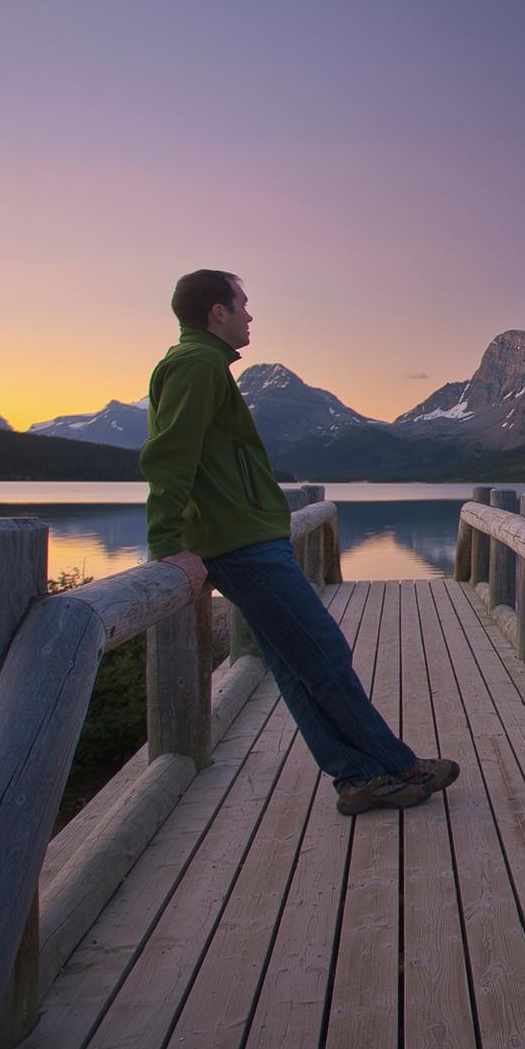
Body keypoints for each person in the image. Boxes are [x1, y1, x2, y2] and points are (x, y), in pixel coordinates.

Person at [139, 269, 457, 816]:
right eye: (242, 304)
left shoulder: (206, 364)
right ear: (217, 311)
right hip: (241, 544)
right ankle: (397, 765)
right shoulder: (195, 364)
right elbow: (170, 456)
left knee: (295, 665)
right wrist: (167, 542)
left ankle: (359, 777)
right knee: (324, 653)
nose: (249, 315)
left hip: (245, 538)